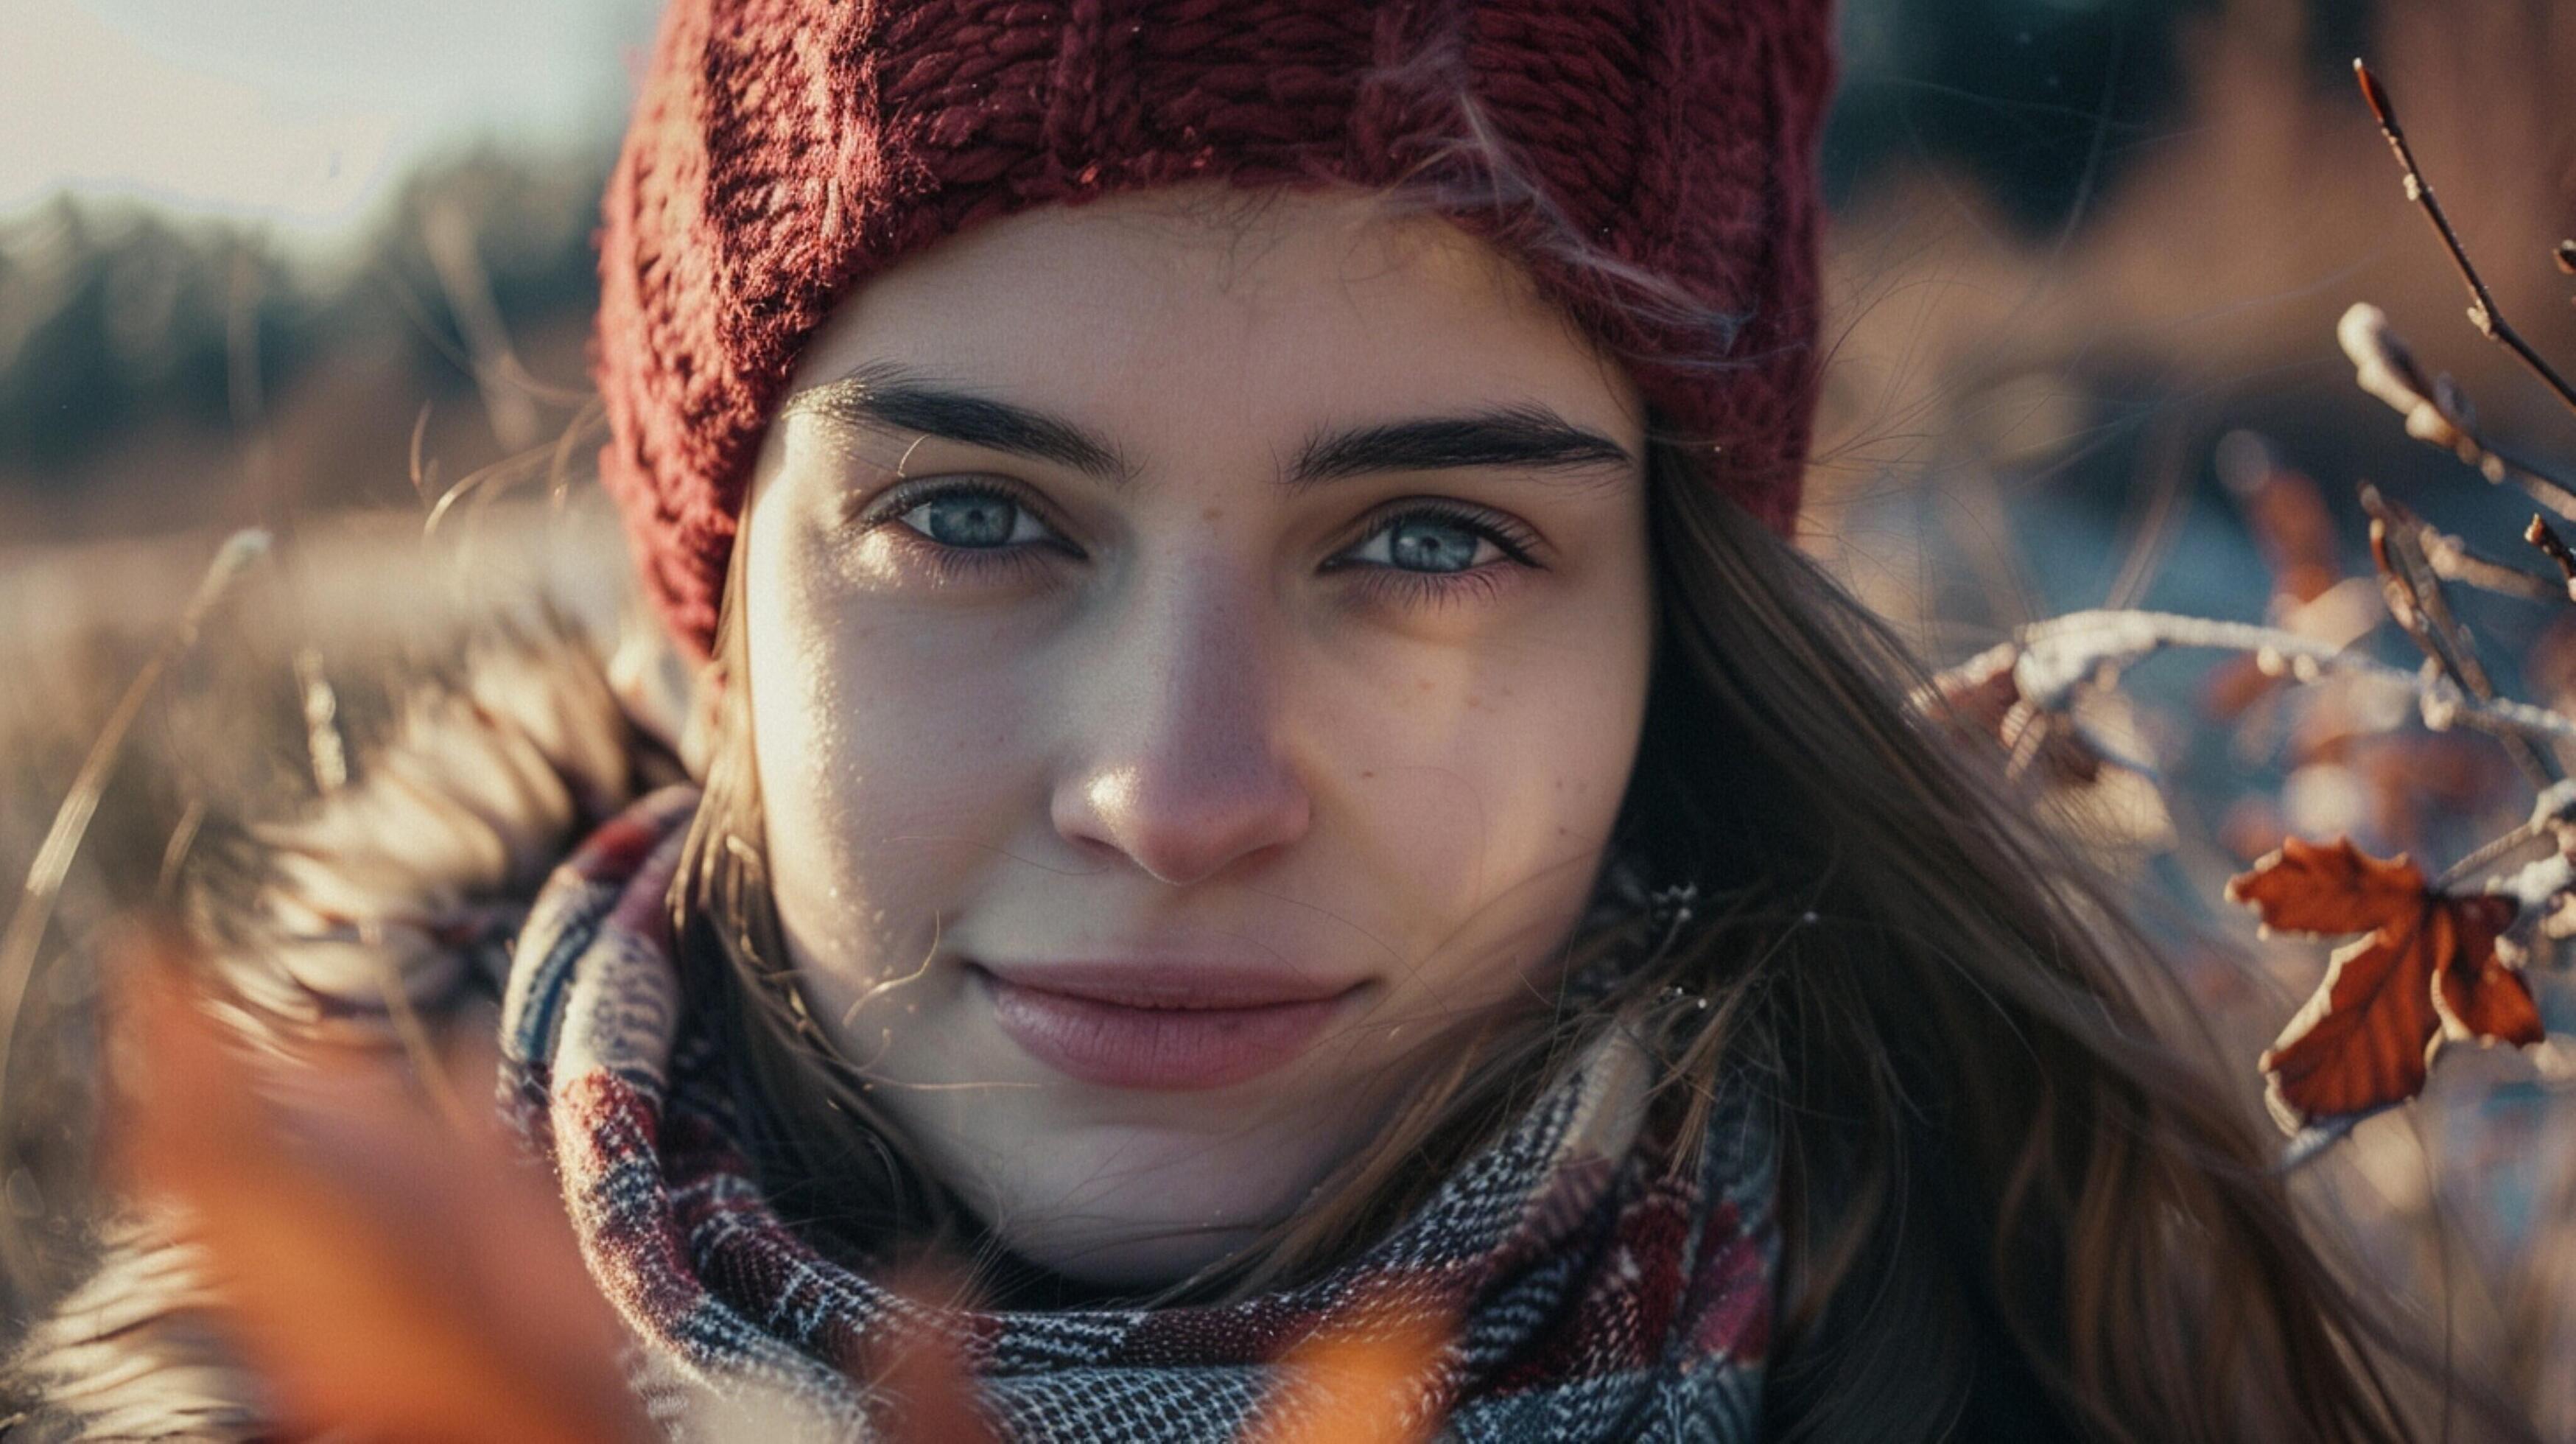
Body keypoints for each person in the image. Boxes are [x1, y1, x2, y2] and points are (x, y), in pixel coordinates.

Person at [0, 1, 2520, 1440]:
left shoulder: (2070, 1380)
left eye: (1427, 538)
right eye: (976, 517)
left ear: (1668, 627)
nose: (1180, 794)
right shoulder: (290, 1386)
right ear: (716, 586)